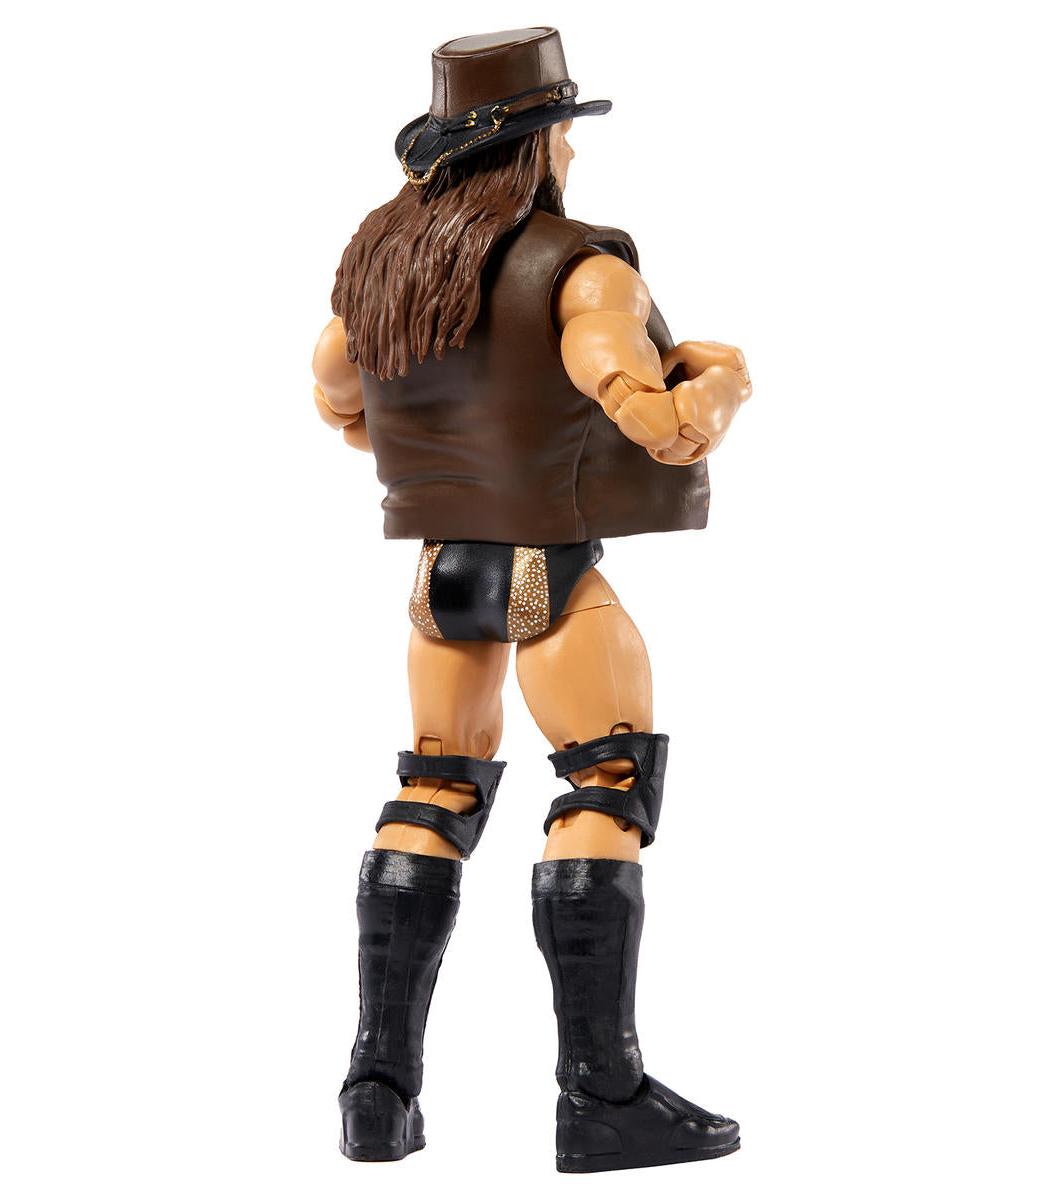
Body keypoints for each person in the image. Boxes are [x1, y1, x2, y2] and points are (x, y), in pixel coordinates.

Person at [311, 27, 752, 1173]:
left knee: (433, 785)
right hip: (544, 574)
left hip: (438, 579)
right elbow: (661, 423)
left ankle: (376, 1092)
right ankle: (601, 1094)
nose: (571, 150)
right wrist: (723, 381)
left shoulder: (382, 267)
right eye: (562, 130)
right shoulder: (581, 271)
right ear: (537, 142)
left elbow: (340, 403)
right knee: (606, 776)